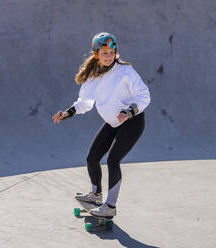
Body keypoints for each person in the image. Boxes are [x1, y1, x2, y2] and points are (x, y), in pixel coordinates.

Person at [52, 32, 151, 217]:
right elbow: (85, 102)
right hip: (112, 123)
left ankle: (110, 207)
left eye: (112, 52)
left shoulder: (125, 71)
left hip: (132, 121)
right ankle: (96, 195)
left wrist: (129, 111)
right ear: (96, 54)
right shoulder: (93, 76)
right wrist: (69, 112)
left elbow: (144, 95)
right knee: (92, 157)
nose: (108, 56)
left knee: (113, 160)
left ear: (116, 53)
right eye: (104, 53)